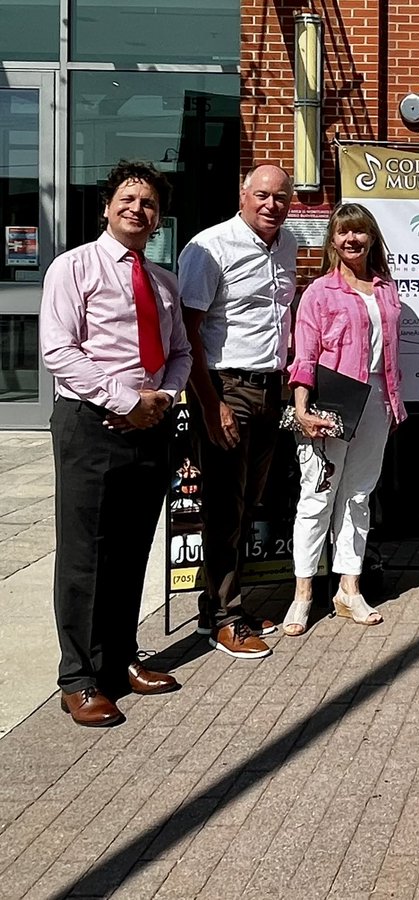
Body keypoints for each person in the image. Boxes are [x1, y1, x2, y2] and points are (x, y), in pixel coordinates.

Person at [40, 160, 192, 726]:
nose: (138, 209)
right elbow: (58, 350)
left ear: (158, 218)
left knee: (131, 550)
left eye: (149, 203)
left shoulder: (164, 282)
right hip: (92, 426)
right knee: (85, 555)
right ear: (107, 207)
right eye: (128, 199)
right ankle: (78, 678)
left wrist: (163, 399)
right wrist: (125, 400)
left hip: (150, 429)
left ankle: (120, 658)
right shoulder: (72, 268)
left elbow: (180, 353)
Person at [178, 164, 297, 659]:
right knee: (225, 507)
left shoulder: (287, 245)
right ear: (243, 194)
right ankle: (223, 618)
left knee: (249, 503)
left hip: (271, 389)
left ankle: (224, 605)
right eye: (263, 195)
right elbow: (186, 335)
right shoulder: (210, 248)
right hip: (227, 388)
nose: (272, 205)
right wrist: (212, 405)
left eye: (281, 198)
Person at [282, 203, 406, 636]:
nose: (351, 240)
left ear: (372, 237)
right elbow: (305, 358)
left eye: (359, 233)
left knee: (357, 496)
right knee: (317, 497)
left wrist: (393, 403)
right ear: (332, 240)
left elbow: (391, 355)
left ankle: (348, 589)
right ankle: (302, 594)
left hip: (377, 403)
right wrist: (302, 410)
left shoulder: (386, 289)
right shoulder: (319, 292)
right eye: (343, 233)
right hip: (332, 404)